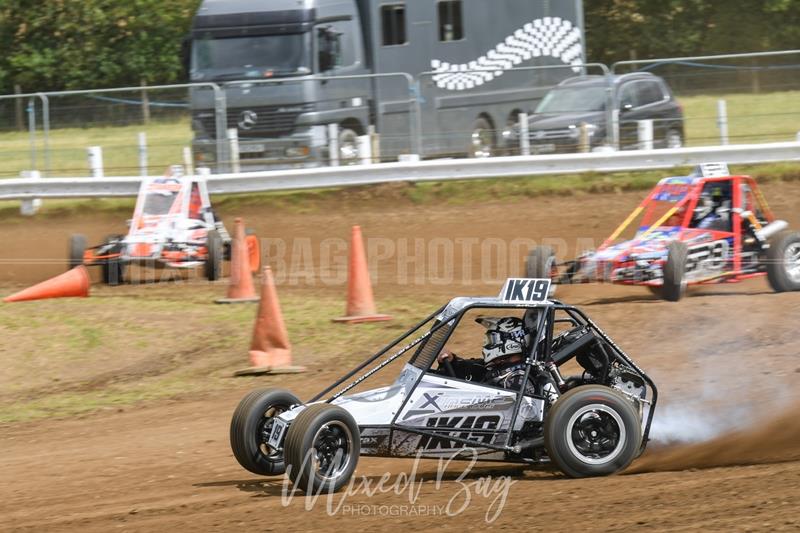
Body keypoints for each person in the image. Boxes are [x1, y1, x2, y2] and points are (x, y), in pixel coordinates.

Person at [436, 316, 536, 395]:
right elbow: (472, 367)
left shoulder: (518, 379)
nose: (487, 343)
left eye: (492, 339)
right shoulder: (495, 366)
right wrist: (452, 360)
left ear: (511, 343)